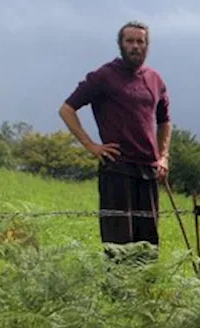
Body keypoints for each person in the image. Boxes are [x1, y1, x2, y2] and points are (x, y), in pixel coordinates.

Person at [59, 21, 171, 263]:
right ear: (120, 45)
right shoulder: (104, 76)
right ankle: (118, 294)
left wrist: (163, 157)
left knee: (148, 243)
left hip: (149, 171)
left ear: (147, 46)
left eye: (140, 42)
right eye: (129, 41)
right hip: (117, 168)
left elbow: (165, 122)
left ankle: (144, 295)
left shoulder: (155, 80)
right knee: (119, 242)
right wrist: (91, 146)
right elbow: (67, 109)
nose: (135, 46)